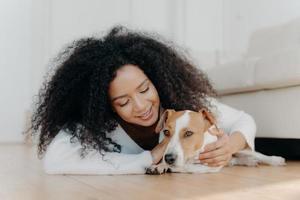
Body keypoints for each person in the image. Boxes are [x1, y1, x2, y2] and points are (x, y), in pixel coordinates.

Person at [28, 26, 256, 175]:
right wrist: (148, 157)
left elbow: (244, 121)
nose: (141, 106)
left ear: (157, 79)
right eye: (123, 102)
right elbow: (54, 161)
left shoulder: (184, 108)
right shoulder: (99, 126)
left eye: (144, 89)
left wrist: (230, 146)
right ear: (105, 105)